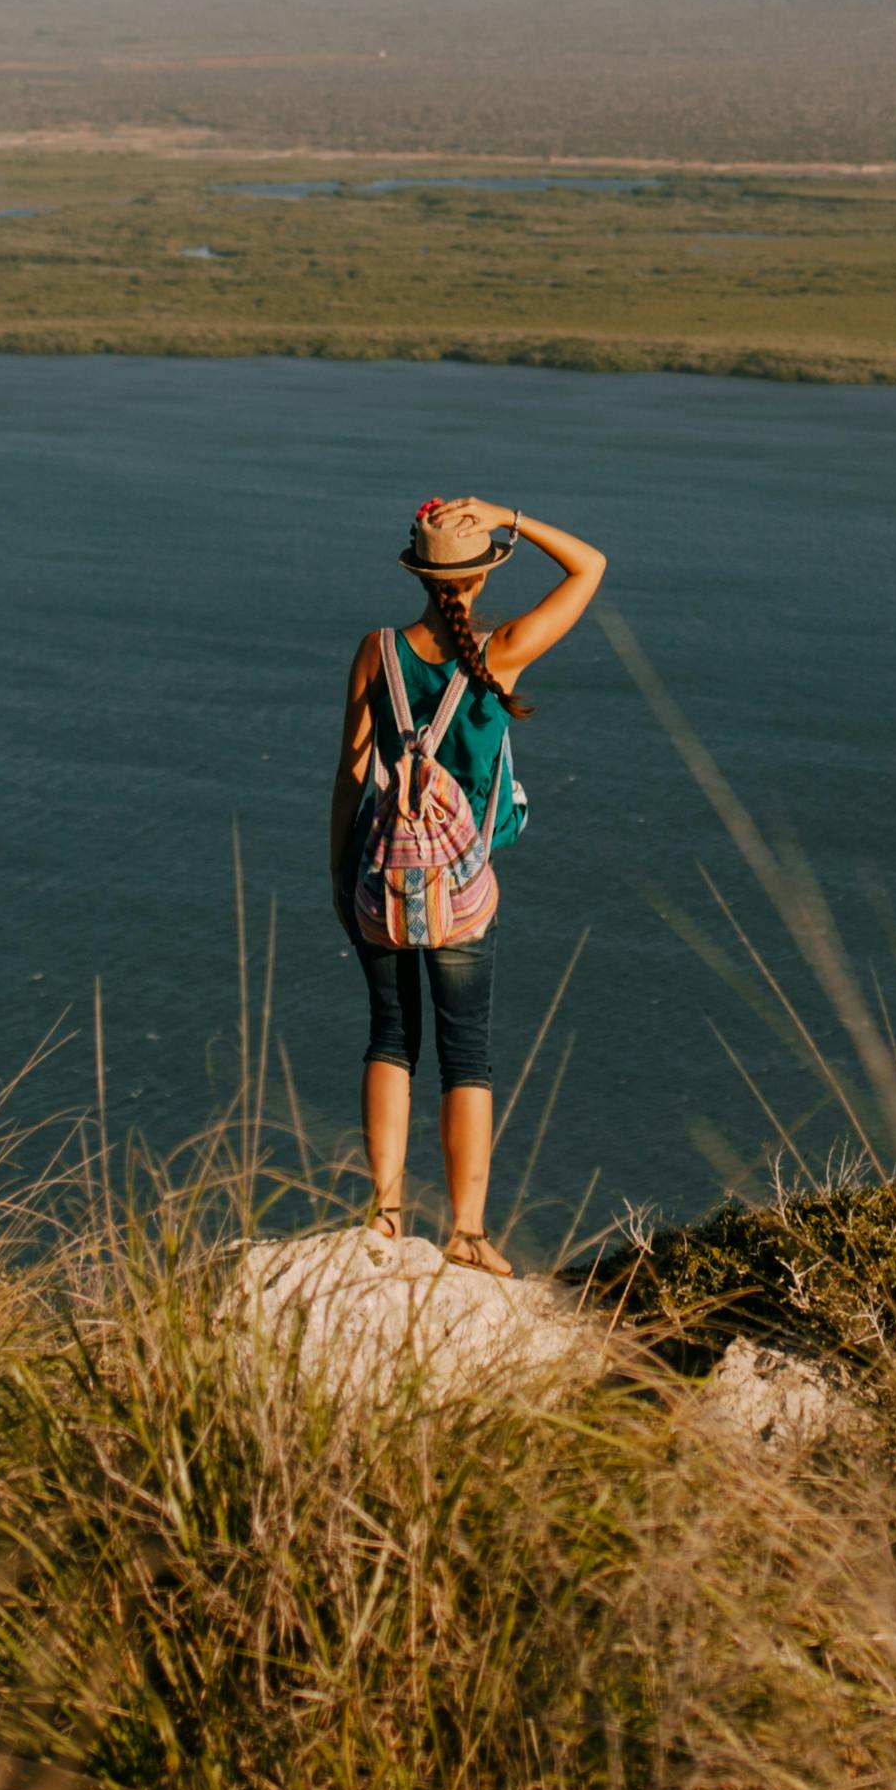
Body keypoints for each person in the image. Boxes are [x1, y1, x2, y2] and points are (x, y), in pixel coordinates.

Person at [332, 490, 605, 1275]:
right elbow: (591, 565)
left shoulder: (375, 649)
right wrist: (508, 517)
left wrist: (338, 870)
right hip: (459, 893)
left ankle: (383, 1218)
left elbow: (351, 775)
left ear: (418, 575)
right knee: (467, 1056)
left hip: (377, 879)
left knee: (390, 1038)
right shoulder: (500, 652)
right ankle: (467, 1234)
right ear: (482, 577)